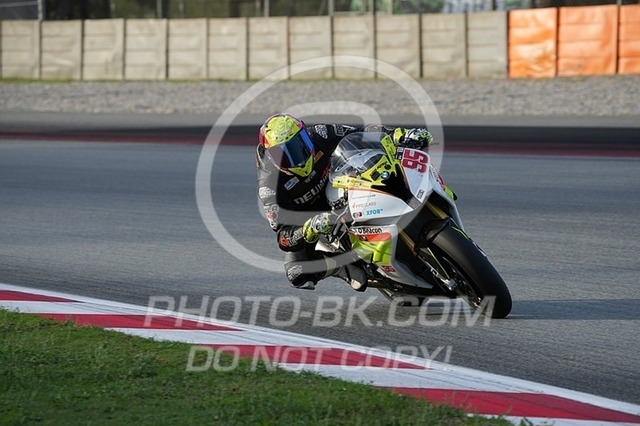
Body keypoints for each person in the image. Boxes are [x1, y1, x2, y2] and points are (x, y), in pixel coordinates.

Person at [256, 113, 434, 291]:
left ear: (305, 134)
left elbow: (363, 132)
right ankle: (341, 267)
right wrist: (310, 227)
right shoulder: (269, 185)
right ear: (271, 157)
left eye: (300, 143)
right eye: (285, 154)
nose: (299, 154)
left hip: (342, 186)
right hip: (312, 218)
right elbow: (284, 238)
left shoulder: (320, 133)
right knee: (297, 273)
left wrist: (398, 134)